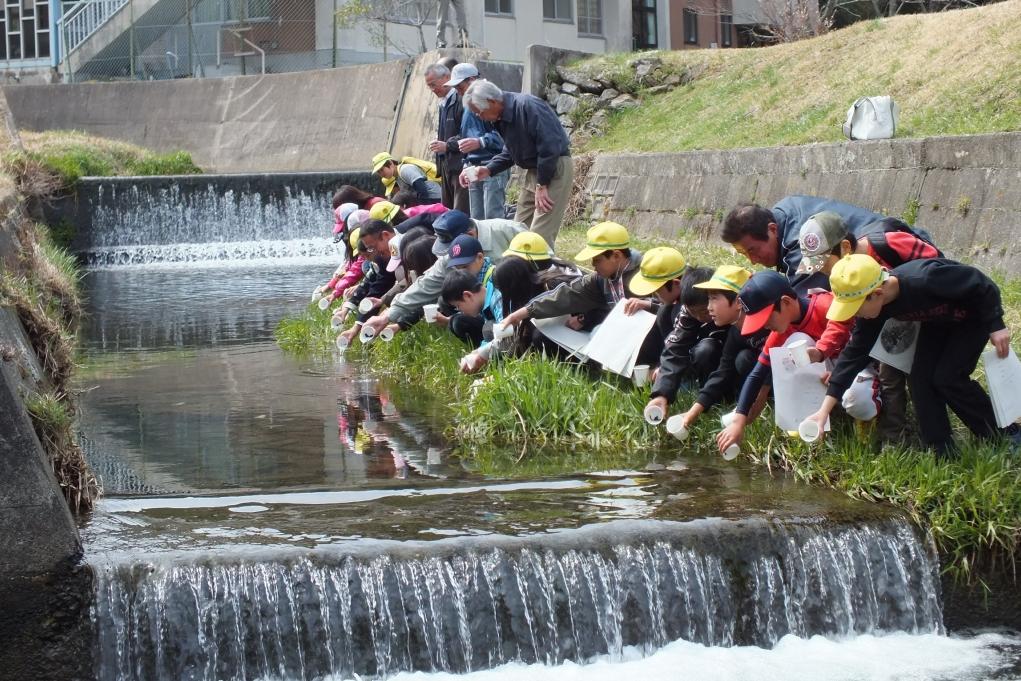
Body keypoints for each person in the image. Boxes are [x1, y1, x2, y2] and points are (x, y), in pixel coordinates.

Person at [803, 254, 1018, 457]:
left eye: (856, 309)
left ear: (877, 293)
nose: (855, 316)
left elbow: (981, 284)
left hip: (973, 318)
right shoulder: (874, 311)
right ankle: (941, 448)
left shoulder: (924, 279)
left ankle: (1003, 434)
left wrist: (996, 323)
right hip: (938, 323)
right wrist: (823, 412)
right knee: (919, 379)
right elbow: (853, 355)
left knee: (948, 378)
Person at [796, 211, 943, 444]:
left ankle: (933, 438)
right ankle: (895, 438)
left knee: (922, 377)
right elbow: (842, 315)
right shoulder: (842, 275)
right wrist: (823, 349)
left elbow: (936, 266)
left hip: (925, 311)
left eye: (823, 265)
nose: (822, 272)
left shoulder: (889, 244)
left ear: (845, 247)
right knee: (889, 372)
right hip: (884, 320)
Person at [715, 270, 874, 455]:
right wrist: (739, 420)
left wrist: (824, 356)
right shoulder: (784, 329)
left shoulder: (824, 304)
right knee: (791, 346)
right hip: (831, 370)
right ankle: (810, 422)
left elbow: (846, 337)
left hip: (862, 365)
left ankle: (865, 425)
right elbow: (757, 373)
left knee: (859, 401)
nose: (765, 326)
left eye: (767, 319)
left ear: (786, 302)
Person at [500, 222, 659, 363]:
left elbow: (675, 309)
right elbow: (565, 295)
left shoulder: (649, 272)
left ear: (616, 255)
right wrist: (521, 314)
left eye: (597, 260)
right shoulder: (599, 279)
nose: (593, 265)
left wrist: (648, 304)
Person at [359, 210, 525, 336]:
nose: (449, 255)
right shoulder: (453, 254)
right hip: (490, 308)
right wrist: (388, 316)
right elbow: (425, 285)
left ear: (470, 236)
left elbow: (547, 268)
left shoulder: (509, 231)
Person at [460, 79, 573, 246]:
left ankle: (543, 271)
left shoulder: (528, 106)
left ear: (492, 102)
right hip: (534, 172)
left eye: (478, 111)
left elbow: (550, 145)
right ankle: (518, 269)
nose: (479, 116)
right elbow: (510, 151)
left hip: (553, 168)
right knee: (517, 230)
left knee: (539, 236)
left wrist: (542, 184)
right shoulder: (499, 117)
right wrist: (488, 169)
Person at [721, 195, 904, 293]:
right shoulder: (783, 210)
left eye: (753, 250)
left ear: (772, 229)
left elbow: (805, 305)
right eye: (745, 254)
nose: (753, 261)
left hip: (896, 264)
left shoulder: (802, 249)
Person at [667, 266, 767, 432]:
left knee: (746, 359)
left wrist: (761, 396)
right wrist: (693, 412)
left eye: (713, 299)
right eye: (708, 300)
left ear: (737, 302)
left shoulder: (767, 324)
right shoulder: (736, 330)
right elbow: (723, 371)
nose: (709, 307)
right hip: (761, 380)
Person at [627, 253, 728, 409]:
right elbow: (675, 348)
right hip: (700, 360)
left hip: (727, 364)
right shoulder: (688, 310)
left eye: (704, 311)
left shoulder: (733, 311)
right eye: (692, 312)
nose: (701, 316)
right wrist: (661, 394)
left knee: (709, 350)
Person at [443, 62, 509, 220]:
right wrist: (466, 164)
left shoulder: (491, 100)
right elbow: (468, 135)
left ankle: (495, 245)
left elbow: (505, 136)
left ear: (472, 80)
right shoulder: (467, 105)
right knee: (476, 218)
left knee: (493, 216)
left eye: (460, 87)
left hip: (492, 163)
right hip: (472, 165)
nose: (458, 92)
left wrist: (480, 142)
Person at [425, 63, 469, 213]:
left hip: (460, 165)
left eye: (433, 84)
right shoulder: (443, 104)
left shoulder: (461, 100)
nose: (432, 89)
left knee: (460, 213)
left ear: (447, 77)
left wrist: (447, 146)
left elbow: (468, 133)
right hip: (446, 165)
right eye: (429, 86)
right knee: (448, 211)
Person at [371, 152, 442, 203]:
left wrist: (426, 207)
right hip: (432, 199)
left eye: (382, 170)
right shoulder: (397, 176)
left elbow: (422, 190)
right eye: (378, 172)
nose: (381, 174)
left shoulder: (404, 170)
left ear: (390, 163)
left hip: (436, 197)